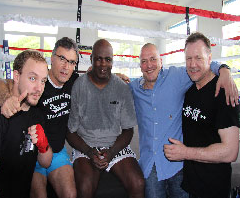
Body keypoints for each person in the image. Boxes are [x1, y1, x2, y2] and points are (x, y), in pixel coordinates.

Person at [129, 41, 239, 198]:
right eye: (144, 61)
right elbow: (112, 87)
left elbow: (204, 64)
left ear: (161, 61)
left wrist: (224, 70)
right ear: (139, 66)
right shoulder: (133, 88)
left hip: (179, 165)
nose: (149, 65)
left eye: (153, 59)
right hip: (150, 165)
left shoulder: (178, 76)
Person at [0, 37, 79, 198]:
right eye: (62, 59)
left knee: (70, 194)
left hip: (56, 151)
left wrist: (118, 76)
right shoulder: (37, 81)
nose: (66, 67)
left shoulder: (74, 81)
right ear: (52, 57)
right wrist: (5, 100)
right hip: (31, 152)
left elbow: (96, 77)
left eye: (72, 62)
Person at [164, 32, 240, 198]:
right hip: (190, 185)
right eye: (188, 59)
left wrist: (185, 153)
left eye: (198, 58)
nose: (192, 64)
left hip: (214, 188)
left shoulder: (224, 94)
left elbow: (231, 151)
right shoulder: (189, 90)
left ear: (209, 58)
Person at [66, 39, 145, 198]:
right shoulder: (79, 86)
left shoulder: (122, 88)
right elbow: (70, 131)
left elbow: (128, 130)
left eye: (107, 59)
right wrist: (89, 151)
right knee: (85, 186)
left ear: (112, 61)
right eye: (98, 59)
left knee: (138, 183)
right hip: (86, 146)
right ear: (91, 60)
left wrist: (111, 152)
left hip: (116, 146)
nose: (103, 64)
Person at [0, 49, 53, 198]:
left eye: (43, 81)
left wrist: (43, 144)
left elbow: (45, 163)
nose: (39, 88)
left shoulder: (36, 113)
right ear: (17, 76)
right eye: (33, 78)